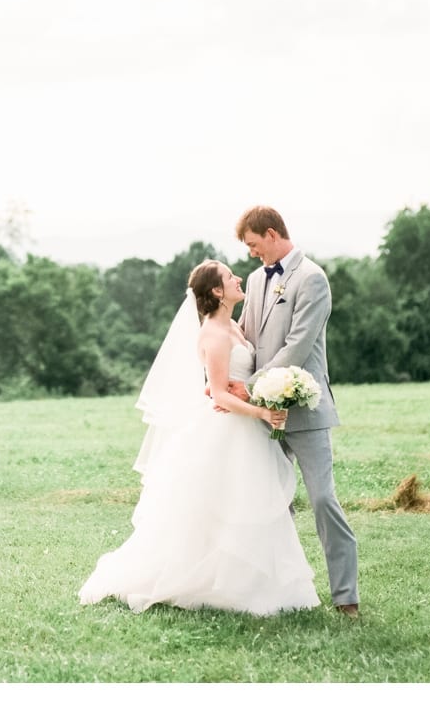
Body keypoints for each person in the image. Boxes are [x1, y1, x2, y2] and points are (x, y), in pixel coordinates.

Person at [78, 260, 320, 616]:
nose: (238, 278)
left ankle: (249, 582)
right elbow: (219, 395)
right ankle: (206, 582)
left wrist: (261, 394)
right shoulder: (213, 333)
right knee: (220, 506)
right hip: (224, 430)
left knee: (245, 503)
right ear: (217, 291)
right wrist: (262, 412)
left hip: (244, 429)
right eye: (229, 277)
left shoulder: (235, 327)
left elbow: (229, 382)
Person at [224, 205, 360, 615]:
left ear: (270, 234)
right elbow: (245, 336)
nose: (250, 254)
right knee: (267, 502)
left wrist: (250, 386)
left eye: (252, 244)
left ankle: (346, 596)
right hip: (260, 417)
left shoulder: (313, 279)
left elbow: (298, 345)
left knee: (322, 500)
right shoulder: (253, 279)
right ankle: (271, 595)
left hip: (304, 409)